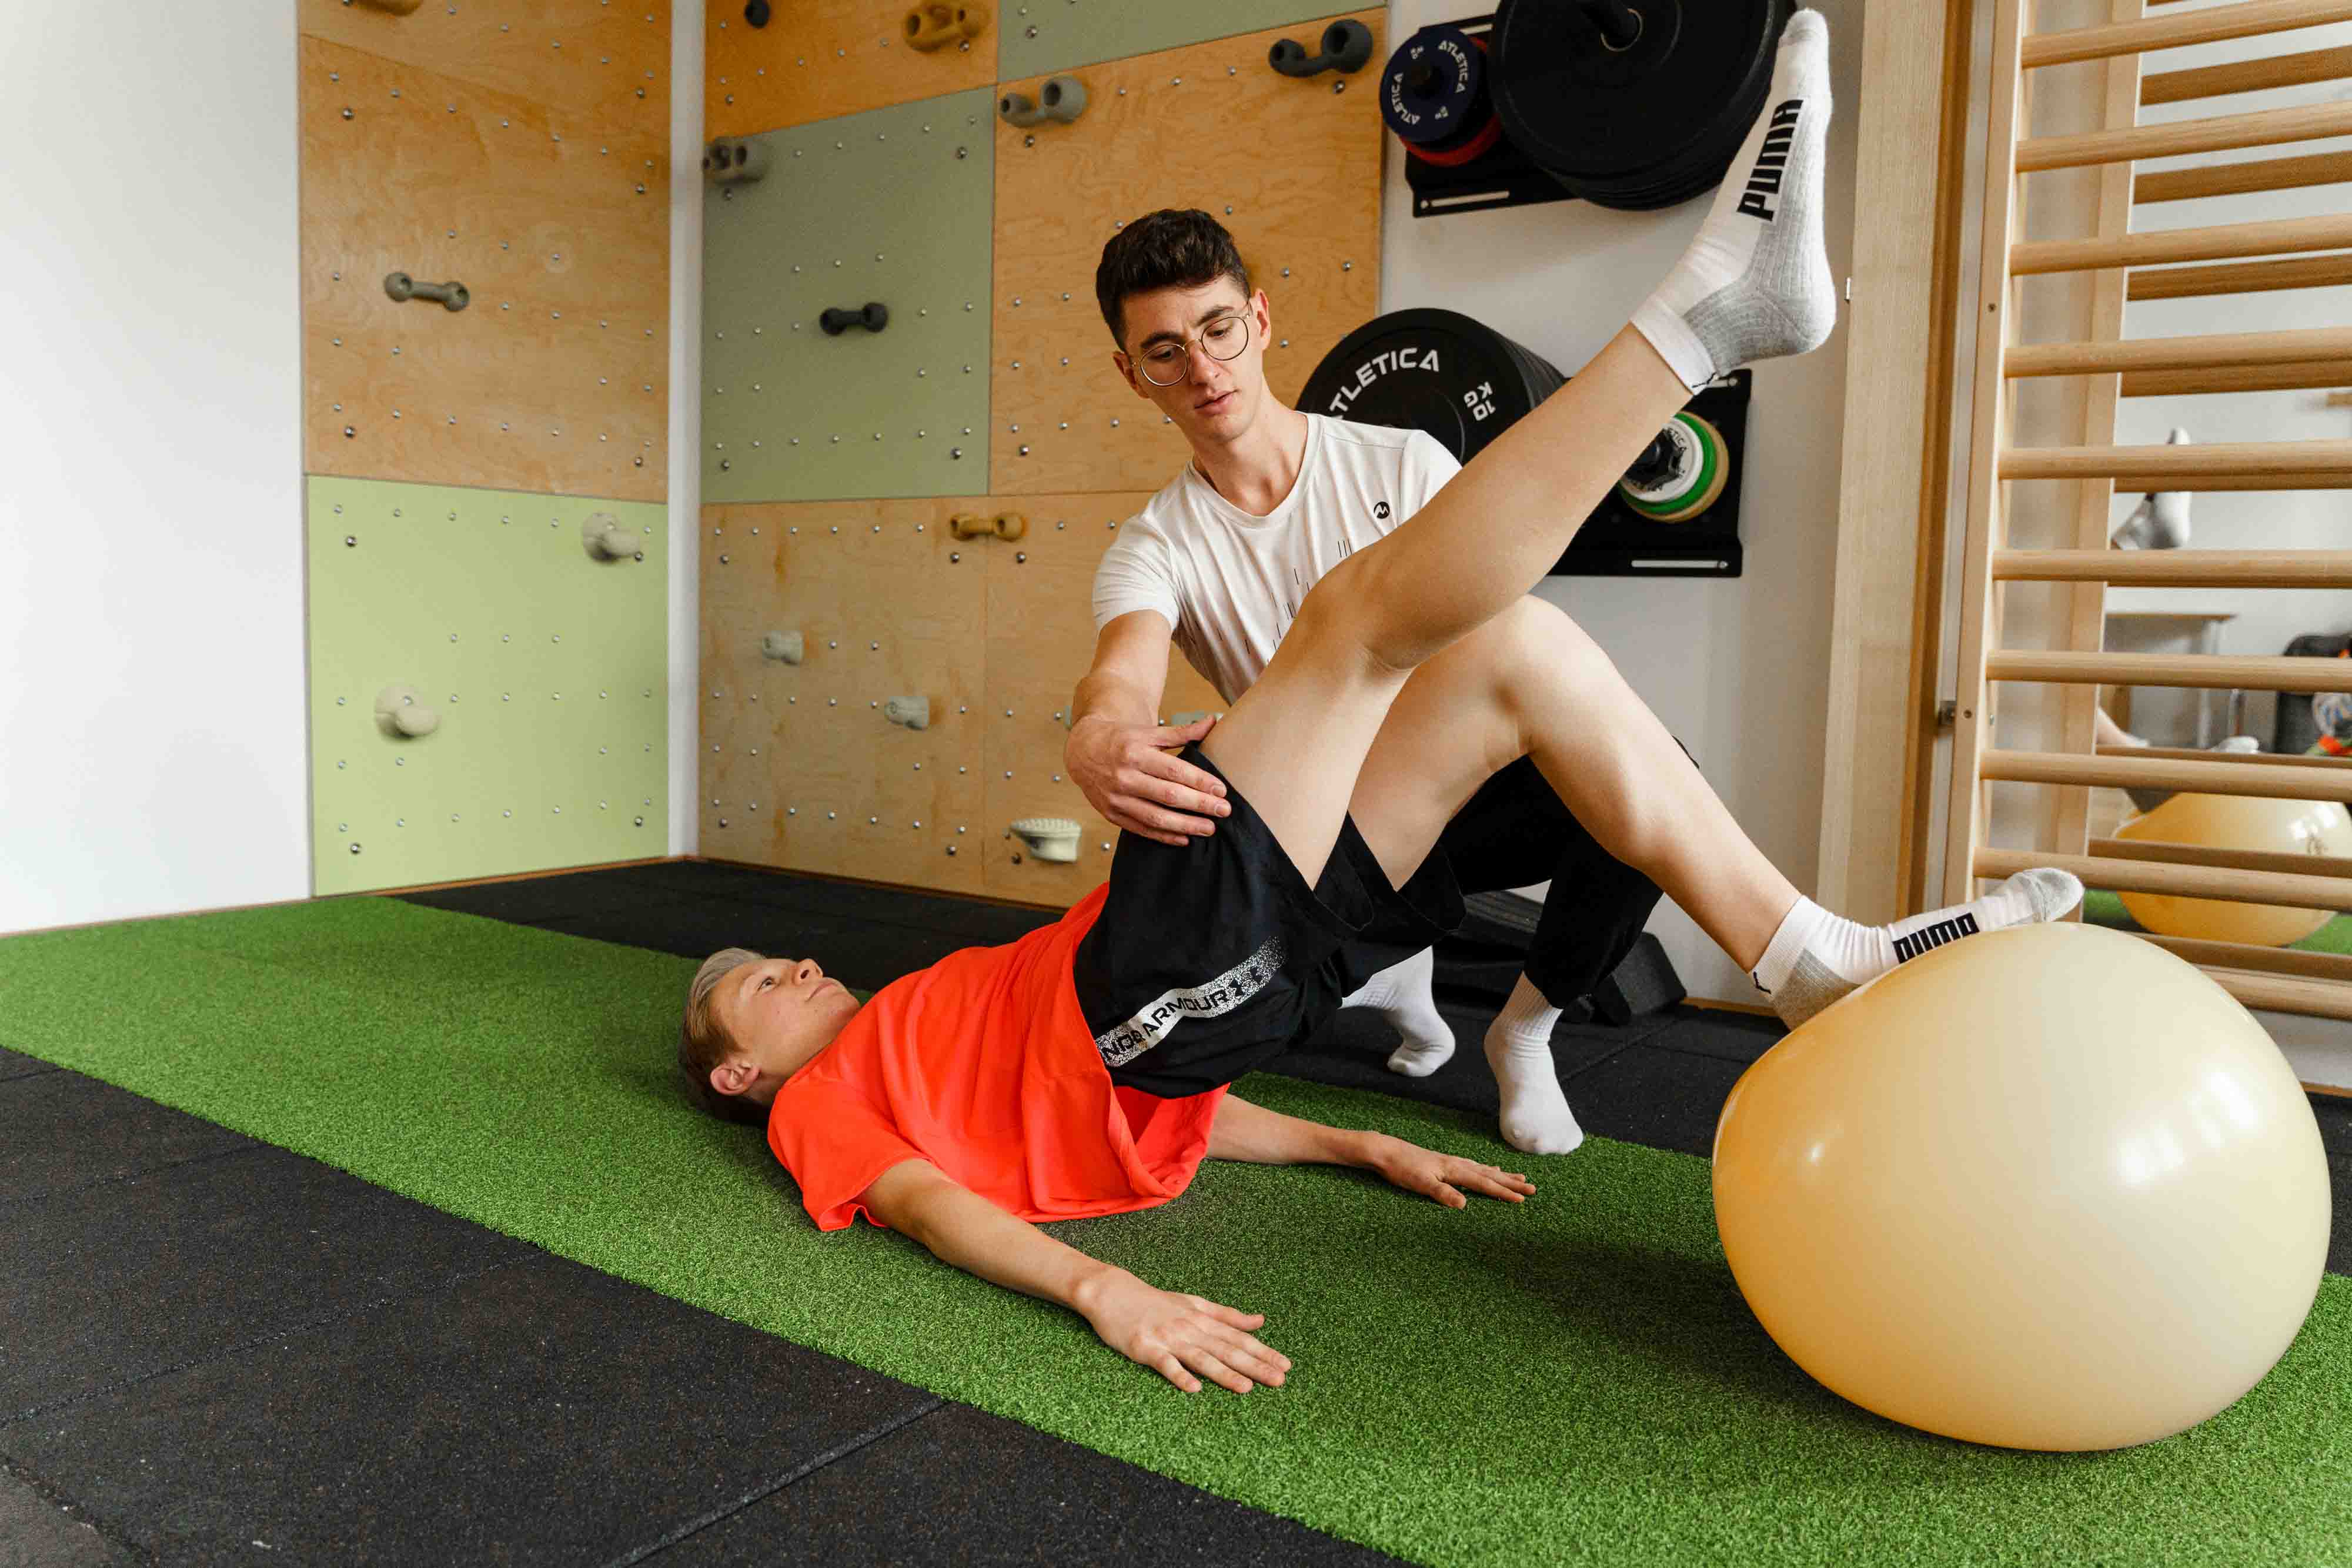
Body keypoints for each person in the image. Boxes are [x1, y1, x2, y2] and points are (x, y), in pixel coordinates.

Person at [679, 12, 2080, 1395]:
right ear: (741, 1075)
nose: (794, 966)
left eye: (1216, 329)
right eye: (758, 987)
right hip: (1195, 941)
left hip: (1238, 921)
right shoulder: (823, 1100)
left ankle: (1796, 955)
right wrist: (1107, 1289)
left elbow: (1171, 1088)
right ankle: (1701, 323)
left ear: (1256, 322)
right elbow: (936, 1192)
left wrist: (1355, 1141)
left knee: (1520, 646)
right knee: (1353, 621)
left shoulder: (1387, 457)